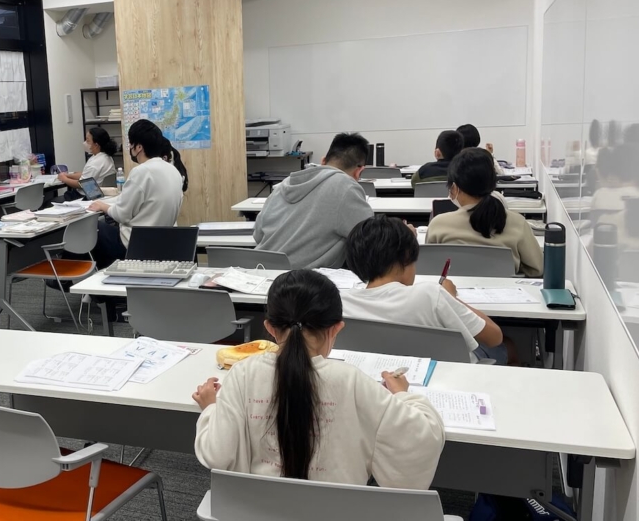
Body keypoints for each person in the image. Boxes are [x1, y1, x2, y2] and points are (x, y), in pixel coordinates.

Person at [193, 270, 444, 486]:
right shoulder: (351, 381)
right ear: (336, 328)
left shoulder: (243, 374)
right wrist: (403, 395)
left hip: (255, 512)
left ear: (269, 328)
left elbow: (217, 454)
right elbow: (421, 441)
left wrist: (211, 409)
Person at [342, 215, 507, 364]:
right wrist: (451, 297)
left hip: (385, 378)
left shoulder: (342, 302)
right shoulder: (430, 295)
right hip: (451, 378)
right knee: (506, 347)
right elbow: (494, 337)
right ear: (407, 256)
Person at [253, 132, 373, 269]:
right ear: (359, 171)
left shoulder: (281, 186)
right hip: (299, 279)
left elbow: (258, 236)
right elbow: (371, 240)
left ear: (323, 161)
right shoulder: (347, 188)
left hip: (257, 272)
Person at [426, 148, 544, 277]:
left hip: (452, 289)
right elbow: (537, 269)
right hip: (505, 289)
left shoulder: (438, 224)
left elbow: (428, 267)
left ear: (454, 188)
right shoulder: (517, 223)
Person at [87, 120, 184, 267]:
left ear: (138, 147)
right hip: (163, 243)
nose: (130, 148)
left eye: (131, 144)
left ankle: (72, 274)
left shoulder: (141, 172)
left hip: (135, 244)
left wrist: (103, 206)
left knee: (93, 227)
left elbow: (121, 214)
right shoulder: (173, 171)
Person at [57, 127, 117, 201]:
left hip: (85, 196)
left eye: (88, 141)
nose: (85, 143)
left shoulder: (96, 162)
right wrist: (68, 175)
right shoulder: (105, 157)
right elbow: (86, 175)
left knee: (51, 201)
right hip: (96, 193)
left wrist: (64, 179)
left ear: (96, 145)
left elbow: (81, 184)